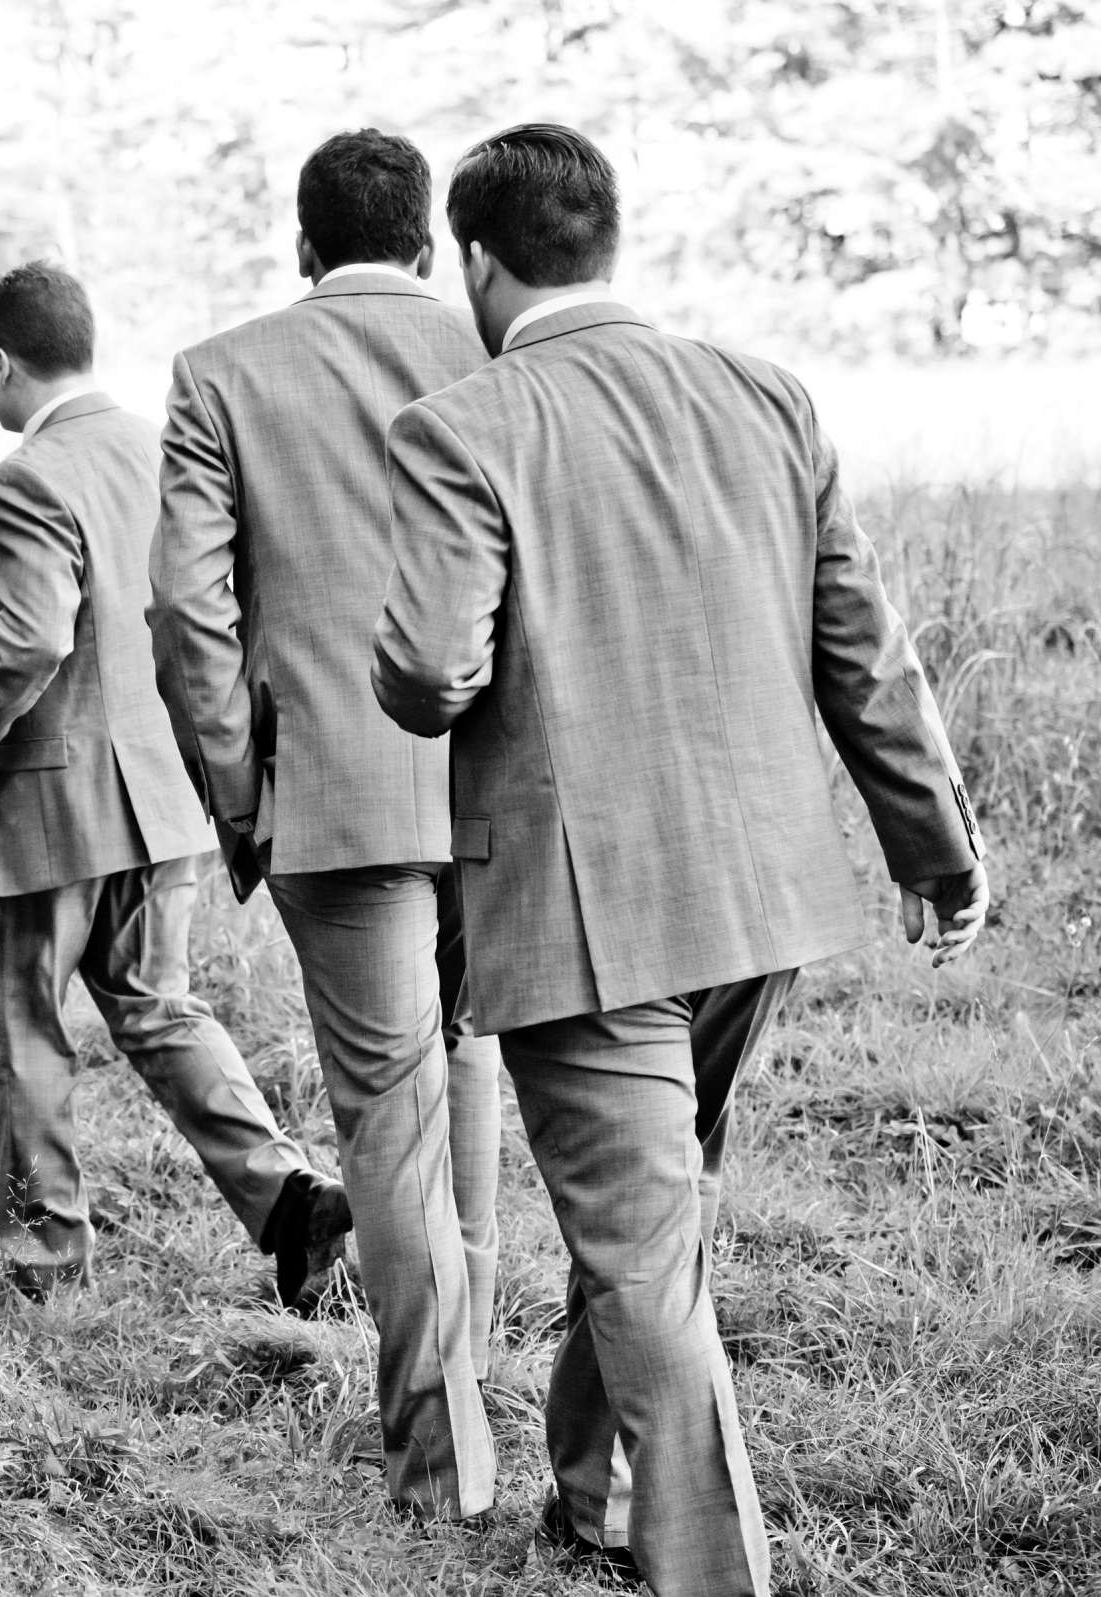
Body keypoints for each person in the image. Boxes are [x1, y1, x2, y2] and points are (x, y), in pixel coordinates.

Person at [373, 123, 989, 1595]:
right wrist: (942, 855)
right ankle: (589, 1501)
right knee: (657, 1205)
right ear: (608, 241)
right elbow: (868, 658)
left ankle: (711, 1571)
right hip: (759, 892)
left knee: (643, 1246)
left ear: (476, 257)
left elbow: (426, 673)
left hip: (590, 914)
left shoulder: (466, 426)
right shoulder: (770, 396)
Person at [148, 128, 502, 1520]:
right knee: (466, 1064)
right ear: (426, 243)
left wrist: (245, 794)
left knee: (391, 1121)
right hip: (498, 785)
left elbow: (189, 617)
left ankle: (440, 1454)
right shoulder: (497, 352)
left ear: (303, 244)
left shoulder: (222, 373)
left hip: (339, 799)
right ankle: (473, 1379)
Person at [0, 262, 350, 1302]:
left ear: (0, 361)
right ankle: (290, 1198)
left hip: (53, 801)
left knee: (27, 1018)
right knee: (160, 1007)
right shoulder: (161, 449)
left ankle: (42, 1254)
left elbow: (29, 638)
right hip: (167, 792)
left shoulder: (33, 473)